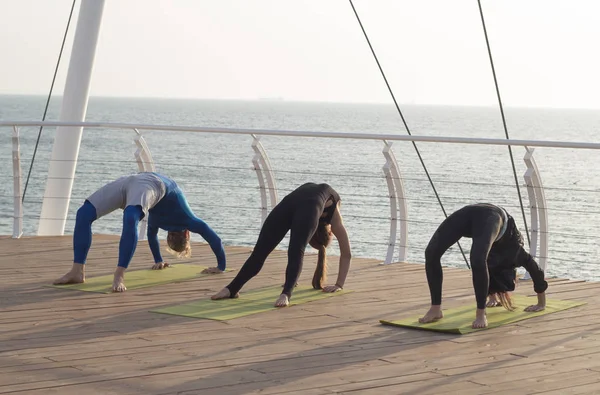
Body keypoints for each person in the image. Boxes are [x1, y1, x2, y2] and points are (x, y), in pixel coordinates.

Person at [53, 172, 226, 292]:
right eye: (173, 235)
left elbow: (152, 236)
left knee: (88, 214)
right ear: (186, 233)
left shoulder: (160, 222)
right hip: (154, 184)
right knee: (106, 215)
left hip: (134, 181)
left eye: (170, 235)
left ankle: (109, 274)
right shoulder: (189, 221)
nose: (170, 233)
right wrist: (221, 267)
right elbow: (214, 239)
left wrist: (159, 260)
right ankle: (79, 271)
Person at [211, 182, 352, 307]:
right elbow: (346, 253)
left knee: (259, 252)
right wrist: (339, 284)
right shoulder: (334, 210)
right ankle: (285, 294)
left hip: (288, 203)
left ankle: (231, 289)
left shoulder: (326, 200)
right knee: (296, 251)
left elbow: (346, 254)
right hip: (307, 206)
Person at [419, 203, 548, 329]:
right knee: (431, 253)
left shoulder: (511, 250)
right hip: (479, 214)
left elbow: (534, 269)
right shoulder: (512, 251)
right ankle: (436, 309)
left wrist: (541, 303)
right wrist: (541, 302)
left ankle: (481, 313)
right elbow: (534, 269)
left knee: (478, 259)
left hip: (490, 219)